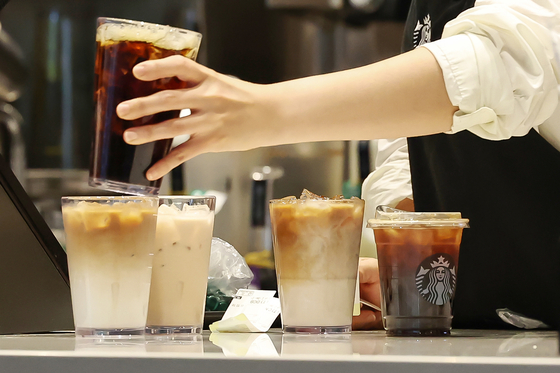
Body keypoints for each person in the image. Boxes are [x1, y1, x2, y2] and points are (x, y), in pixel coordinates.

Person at [116, 0, 560, 330]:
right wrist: (406, 280)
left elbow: (503, 68)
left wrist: (265, 109)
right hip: (480, 337)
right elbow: (423, 148)